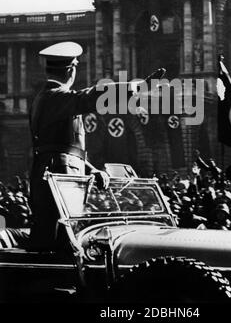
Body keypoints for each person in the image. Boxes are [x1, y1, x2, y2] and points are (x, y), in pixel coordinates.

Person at [29, 41, 164, 250]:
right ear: (70, 70)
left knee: (65, 240)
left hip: (62, 176)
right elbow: (90, 96)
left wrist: (92, 170)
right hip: (57, 179)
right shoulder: (52, 96)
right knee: (56, 241)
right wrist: (133, 87)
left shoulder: (54, 99)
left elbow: (66, 149)